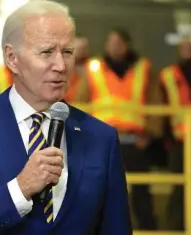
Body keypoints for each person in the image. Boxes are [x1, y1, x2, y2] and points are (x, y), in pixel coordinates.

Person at [0, 0, 131, 235]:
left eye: (67, 52)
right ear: (12, 58)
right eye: (46, 52)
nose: (61, 65)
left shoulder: (101, 138)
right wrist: (19, 190)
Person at [75, 29, 161, 230]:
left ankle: (148, 230)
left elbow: (155, 102)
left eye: (119, 42)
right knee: (97, 192)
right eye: (110, 42)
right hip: (101, 142)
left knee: (141, 194)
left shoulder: (144, 68)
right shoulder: (93, 68)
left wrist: (149, 134)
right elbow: (79, 103)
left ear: (128, 45)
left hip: (135, 141)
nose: (114, 46)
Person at [160, 37, 191, 230]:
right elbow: (162, 107)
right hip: (179, 141)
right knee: (179, 191)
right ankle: (176, 229)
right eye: (184, 47)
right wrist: (166, 138)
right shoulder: (168, 75)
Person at [65, 35, 89, 103]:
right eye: (79, 48)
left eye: (84, 48)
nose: (82, 52)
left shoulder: (96, 69)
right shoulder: (64, 70)